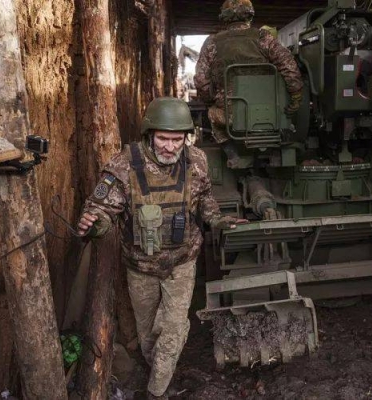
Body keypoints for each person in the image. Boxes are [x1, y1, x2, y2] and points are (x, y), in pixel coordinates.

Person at [76, 97, 245, 400]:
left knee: (174, 327)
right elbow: (100, 207)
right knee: (147, 336)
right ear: (149, 135)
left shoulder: (196, 160)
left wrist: (217, 219)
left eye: (176, 139)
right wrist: (95, 223)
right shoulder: (124, 164)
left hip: (182, 261)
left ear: (186, 138)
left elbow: (204, 197)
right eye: (163, 139)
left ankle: (156, 391)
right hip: (140, 267)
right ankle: (161, 368)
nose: (169, 146)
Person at [194, 0, 304, 166]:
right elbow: (289, 66)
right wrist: (296, 97)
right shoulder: (262, 37)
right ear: (250, 15)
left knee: (211, 114)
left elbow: (201, 80)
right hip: (270, 113)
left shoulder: (212, 43)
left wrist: (211, 101)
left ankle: (233, 155)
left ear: (224, 17)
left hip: (230, 115)